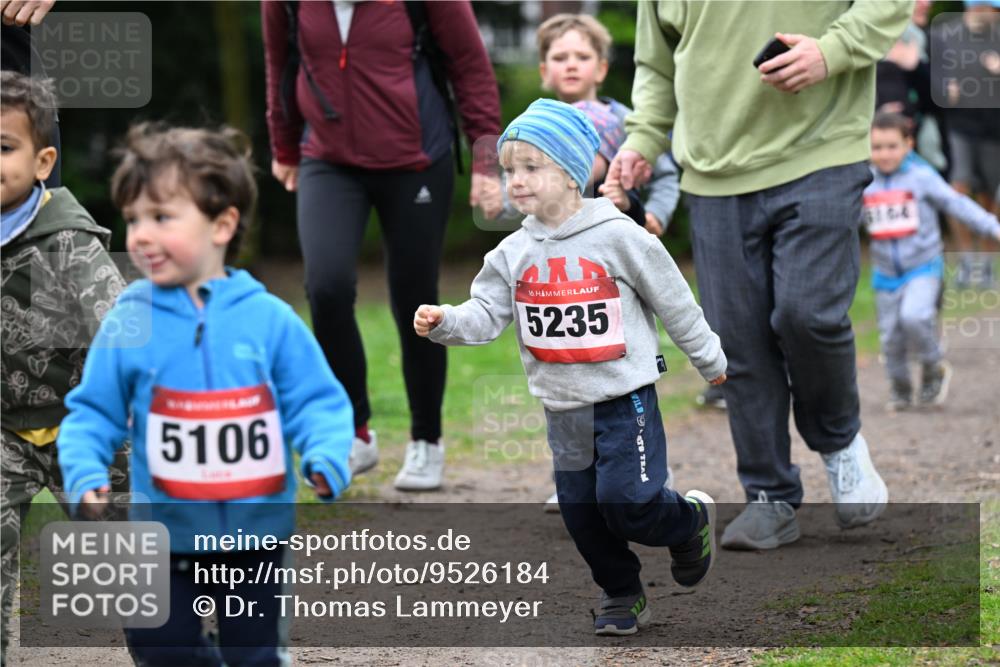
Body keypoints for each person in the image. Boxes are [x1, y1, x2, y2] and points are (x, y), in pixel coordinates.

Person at [414, 99, 728, 635]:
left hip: (622, 397)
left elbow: (674, 300)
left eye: (531, 167)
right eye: (509, 169)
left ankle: (689, 521)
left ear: (570, 172)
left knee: (628, 504)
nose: (515, 180)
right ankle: (622, 593)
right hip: (563, 406)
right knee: (582, 513)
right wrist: (445, 321)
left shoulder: (621, 236)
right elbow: (487, 313)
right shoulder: (512, 252)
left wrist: (710, 360)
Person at [610, 1, 911, 549]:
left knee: (807, 314)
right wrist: (642, 138)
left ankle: (839, 443)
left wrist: (831, 50)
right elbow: (657, 64)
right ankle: (768, 495)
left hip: (821, 151)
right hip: (713, 172)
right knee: (738, 341)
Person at [56, 123, 354, 666]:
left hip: (254, 540)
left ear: (223, 224)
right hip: (161, 536)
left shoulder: (269, 320)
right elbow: (92, 412)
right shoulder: (130, 321)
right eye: (133, 219)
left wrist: (325, 454)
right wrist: (84, 470)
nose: (140, 235)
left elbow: (316, 401)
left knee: (253, 657)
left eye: (161, 217)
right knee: (161, 649)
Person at [262, 0, 501, 491]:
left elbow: (470, 66)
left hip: (415, 159)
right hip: (327, 159)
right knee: (325, 287)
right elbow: (279, 63)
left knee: (415, 299)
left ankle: (426, 439)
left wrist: (486, 158)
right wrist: (284, 145)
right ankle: (354, 432)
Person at [0, 72, 128, 666]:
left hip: (88, 428)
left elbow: (119, 330)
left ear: (43, 159)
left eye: (4, 147)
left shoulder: (69, 242)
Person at [866, 112, 1000, 410]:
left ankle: (932, 367)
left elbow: (957, 204)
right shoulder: (864, 183)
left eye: (892, 146)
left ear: (908, 144)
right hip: (885, 273)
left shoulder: (922, 178)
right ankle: (900, 387)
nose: (884, 154)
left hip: (923, 267)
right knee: (890, 338)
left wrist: (992, 227)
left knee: (914, 318)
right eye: (877, 147)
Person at [536, 13, 680, 236]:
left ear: (601, 69)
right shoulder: (536, 126)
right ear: (544, 71)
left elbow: (665, 175)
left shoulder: (627, 121)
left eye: (583, 57)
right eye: (560, 58)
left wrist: (655, 215)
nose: (571, 65)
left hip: (616, 240)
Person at [930, 1, 1000, 288]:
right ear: (975, 7)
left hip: (994, 130)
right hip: (960, 127)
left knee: (989, 199)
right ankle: (965, 261)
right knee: (957, 189)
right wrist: (945, 90)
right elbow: (932, 79)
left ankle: (986, 266)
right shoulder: (945, 34)